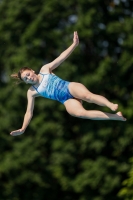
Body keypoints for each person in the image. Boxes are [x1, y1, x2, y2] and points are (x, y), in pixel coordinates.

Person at [10, 31, 126, 136]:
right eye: (26, 79)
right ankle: (116, 117)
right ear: (25, 82)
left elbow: (61, 58)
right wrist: (23, 128)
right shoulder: (31, 92)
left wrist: (74, 45)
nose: (29, 78)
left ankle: (110, 104)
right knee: (80, 113)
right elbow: (29, 112)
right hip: (65, 100)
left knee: (88, 96)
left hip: (69, 87)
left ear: (31, 70)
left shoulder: (45, 69)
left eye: (28, 74)